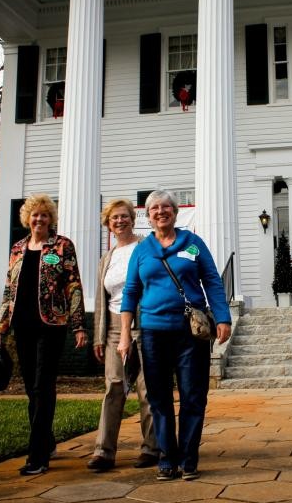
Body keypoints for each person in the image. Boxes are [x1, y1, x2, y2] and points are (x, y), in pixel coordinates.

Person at [119, 190, 232, 481]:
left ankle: (189, 459)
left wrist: (222, 317)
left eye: (166, 207)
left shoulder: (192, 244)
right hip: (153, 333)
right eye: (154, 208)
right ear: (148, 215)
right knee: (159, 398)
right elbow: (131, 292)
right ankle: (167, 459)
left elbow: (211, 281)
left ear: (175, 211)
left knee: (194, 395)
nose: (161, 212)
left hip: (190, 333)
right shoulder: (142, 251)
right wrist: (123, 335)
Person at [0, 193, 87, 476]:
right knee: (32, 387)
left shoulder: (62, 245)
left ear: (50, 219)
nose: (39, 219)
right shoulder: (18, 248)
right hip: (22, 324)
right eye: (35, 215)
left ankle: (38, 456)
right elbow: (9, 290)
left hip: (52, 324)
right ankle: (47, 439)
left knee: (44, 385)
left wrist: (78, 324)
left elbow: (74, 285)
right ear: (27, 218)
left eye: (44, 215)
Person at [88, 199, 159, 472]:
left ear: (133, 218)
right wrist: (99, 335)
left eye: (125, 216)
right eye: (114, 218)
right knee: (113, 388)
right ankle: (103, 451)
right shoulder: (106, 259)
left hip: (146, 322)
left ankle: (152, 448)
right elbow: (100, 299)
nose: (120, 221)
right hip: (115, 328)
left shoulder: (146, 246)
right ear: (108, 224)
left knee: (147, 388)